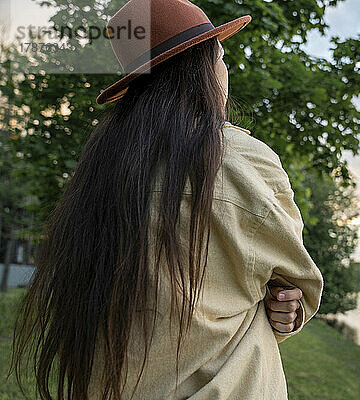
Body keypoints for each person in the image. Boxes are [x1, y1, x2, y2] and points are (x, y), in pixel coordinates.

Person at [10, 0, 324, 399]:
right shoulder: (242, 162)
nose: (225, 71)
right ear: (202, 69)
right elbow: (295, 282)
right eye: (221, 57)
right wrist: (288, 310)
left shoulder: (99, 175)